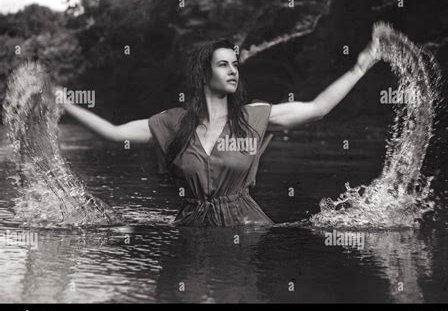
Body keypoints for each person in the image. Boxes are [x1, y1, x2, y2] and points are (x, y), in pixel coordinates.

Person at [61, 38, 380, 227]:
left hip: (244, 227)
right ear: (203, 74)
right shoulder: (173, 123)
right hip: (191, 229)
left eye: (236, 65)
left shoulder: (253, 117)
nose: (233, 71)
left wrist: (360, 68)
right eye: (223, 65)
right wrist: (66, 103)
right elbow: (115, 133)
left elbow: (317, 108)